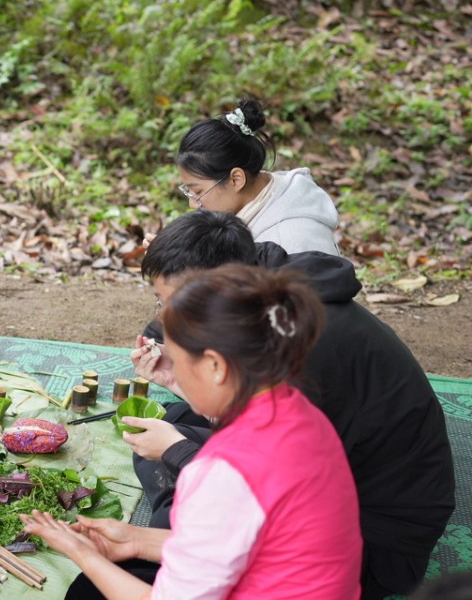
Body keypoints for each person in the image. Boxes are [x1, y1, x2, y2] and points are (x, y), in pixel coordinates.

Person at [125, 210, 454, 599]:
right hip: (318, 475)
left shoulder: (303, 353)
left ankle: (174, 520)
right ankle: (175, 516)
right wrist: (178, 380)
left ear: (211, 289)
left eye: (170, 303)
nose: (163, 319)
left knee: (173, 455)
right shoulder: (272, 298)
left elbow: (270, 475)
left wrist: (179, 453)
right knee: (170, 421)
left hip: (376, 540)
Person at [23, 264, 362, 598]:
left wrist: (80, 551)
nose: (177, 375)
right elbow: (237, 539)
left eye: (181, 362)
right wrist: (137, 539)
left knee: (87, 591)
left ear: (215, 366)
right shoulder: (299, 411)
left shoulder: (223, 472)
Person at [175, 99, 340, 255]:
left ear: (236, 180)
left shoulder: (288, 243)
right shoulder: (264, 197)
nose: (193, 204)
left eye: (198, 191)